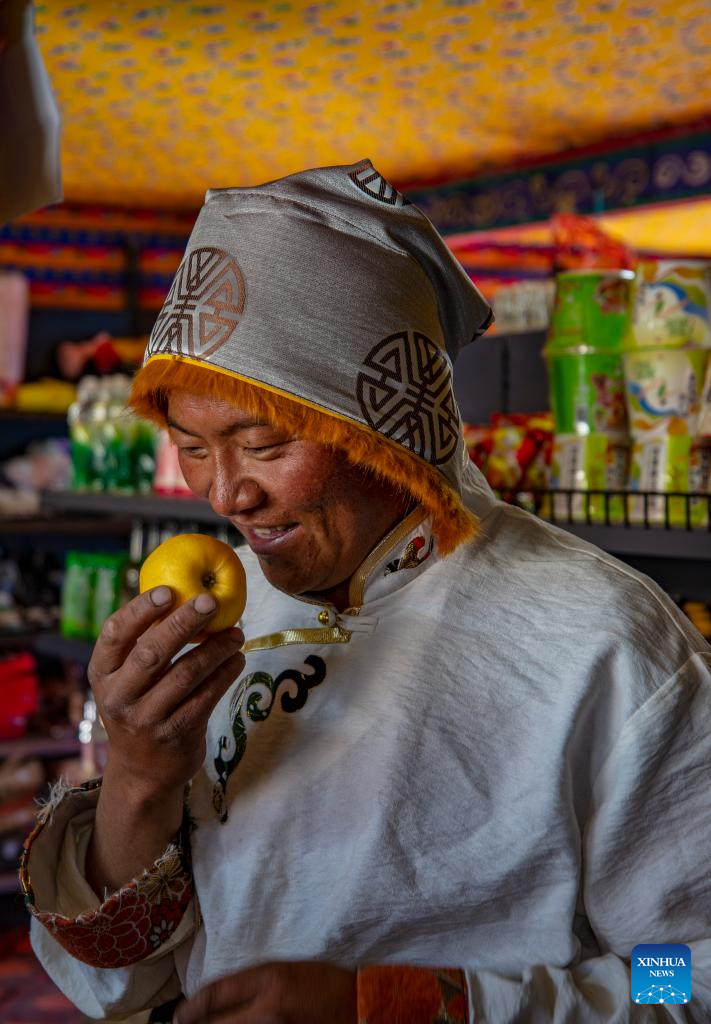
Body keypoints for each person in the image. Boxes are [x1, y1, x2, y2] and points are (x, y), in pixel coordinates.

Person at [23, 160, 711, 1023]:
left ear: (380, 431)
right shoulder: (233, 618)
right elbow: (127, 983)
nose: (225, 494)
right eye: (192, 445)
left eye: (263, 442)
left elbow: (687, 975)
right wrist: (136, 780)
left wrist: (401, 1004)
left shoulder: (601, 642)